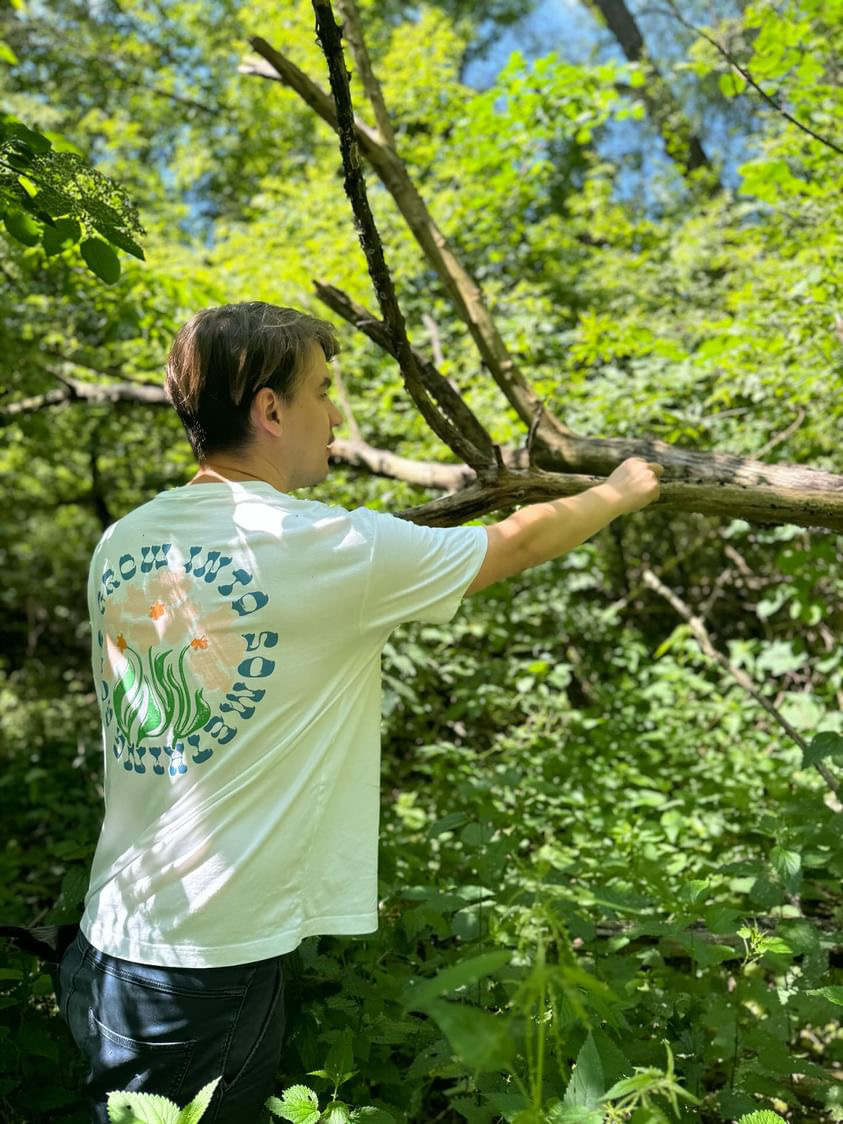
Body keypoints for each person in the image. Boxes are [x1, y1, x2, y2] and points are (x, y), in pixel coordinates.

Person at [52, 301, 663, 1123]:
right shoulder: (330, 546)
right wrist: (619, 491)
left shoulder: (124, 541)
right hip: (205, 963)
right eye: (322, 390)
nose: (335, 415)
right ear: (269, 410)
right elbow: (514, 541)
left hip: (109, 942)